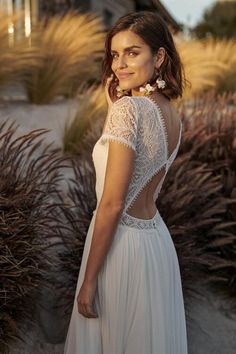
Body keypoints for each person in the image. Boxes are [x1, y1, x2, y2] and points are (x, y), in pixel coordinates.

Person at [64, 11, 188, 354]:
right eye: (115, 54)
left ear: (159, 56)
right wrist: (112, 110)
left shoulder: (130, 110)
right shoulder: (171, 114)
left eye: (132, 52)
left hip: (120, 248)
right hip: (155, 245)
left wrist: (88, 282)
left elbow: (112, 202)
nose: (120, 64)